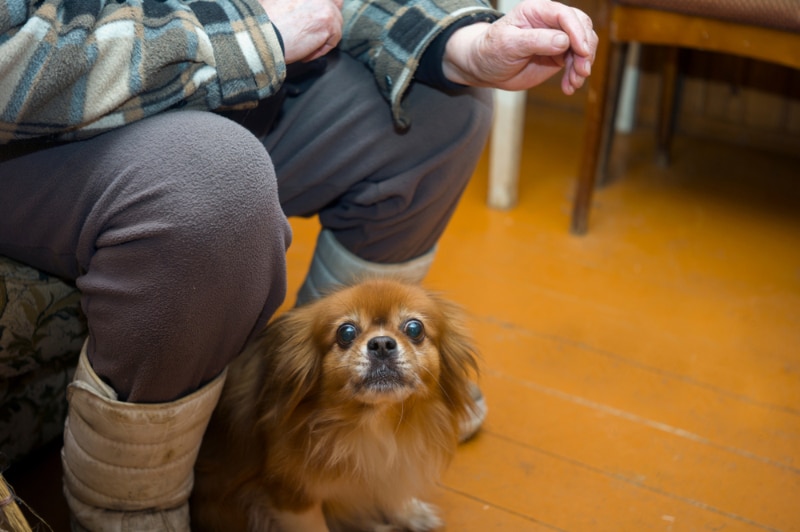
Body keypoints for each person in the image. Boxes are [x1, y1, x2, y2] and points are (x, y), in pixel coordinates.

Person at [0, 0, 597, 528]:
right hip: (36, 138)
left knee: (448, 108)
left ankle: (318, 423)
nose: (388, 342)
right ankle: (133, 510)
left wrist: (459, 42)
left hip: (222, 89)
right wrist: (256, 37)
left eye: (408, 335)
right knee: (214, 182)